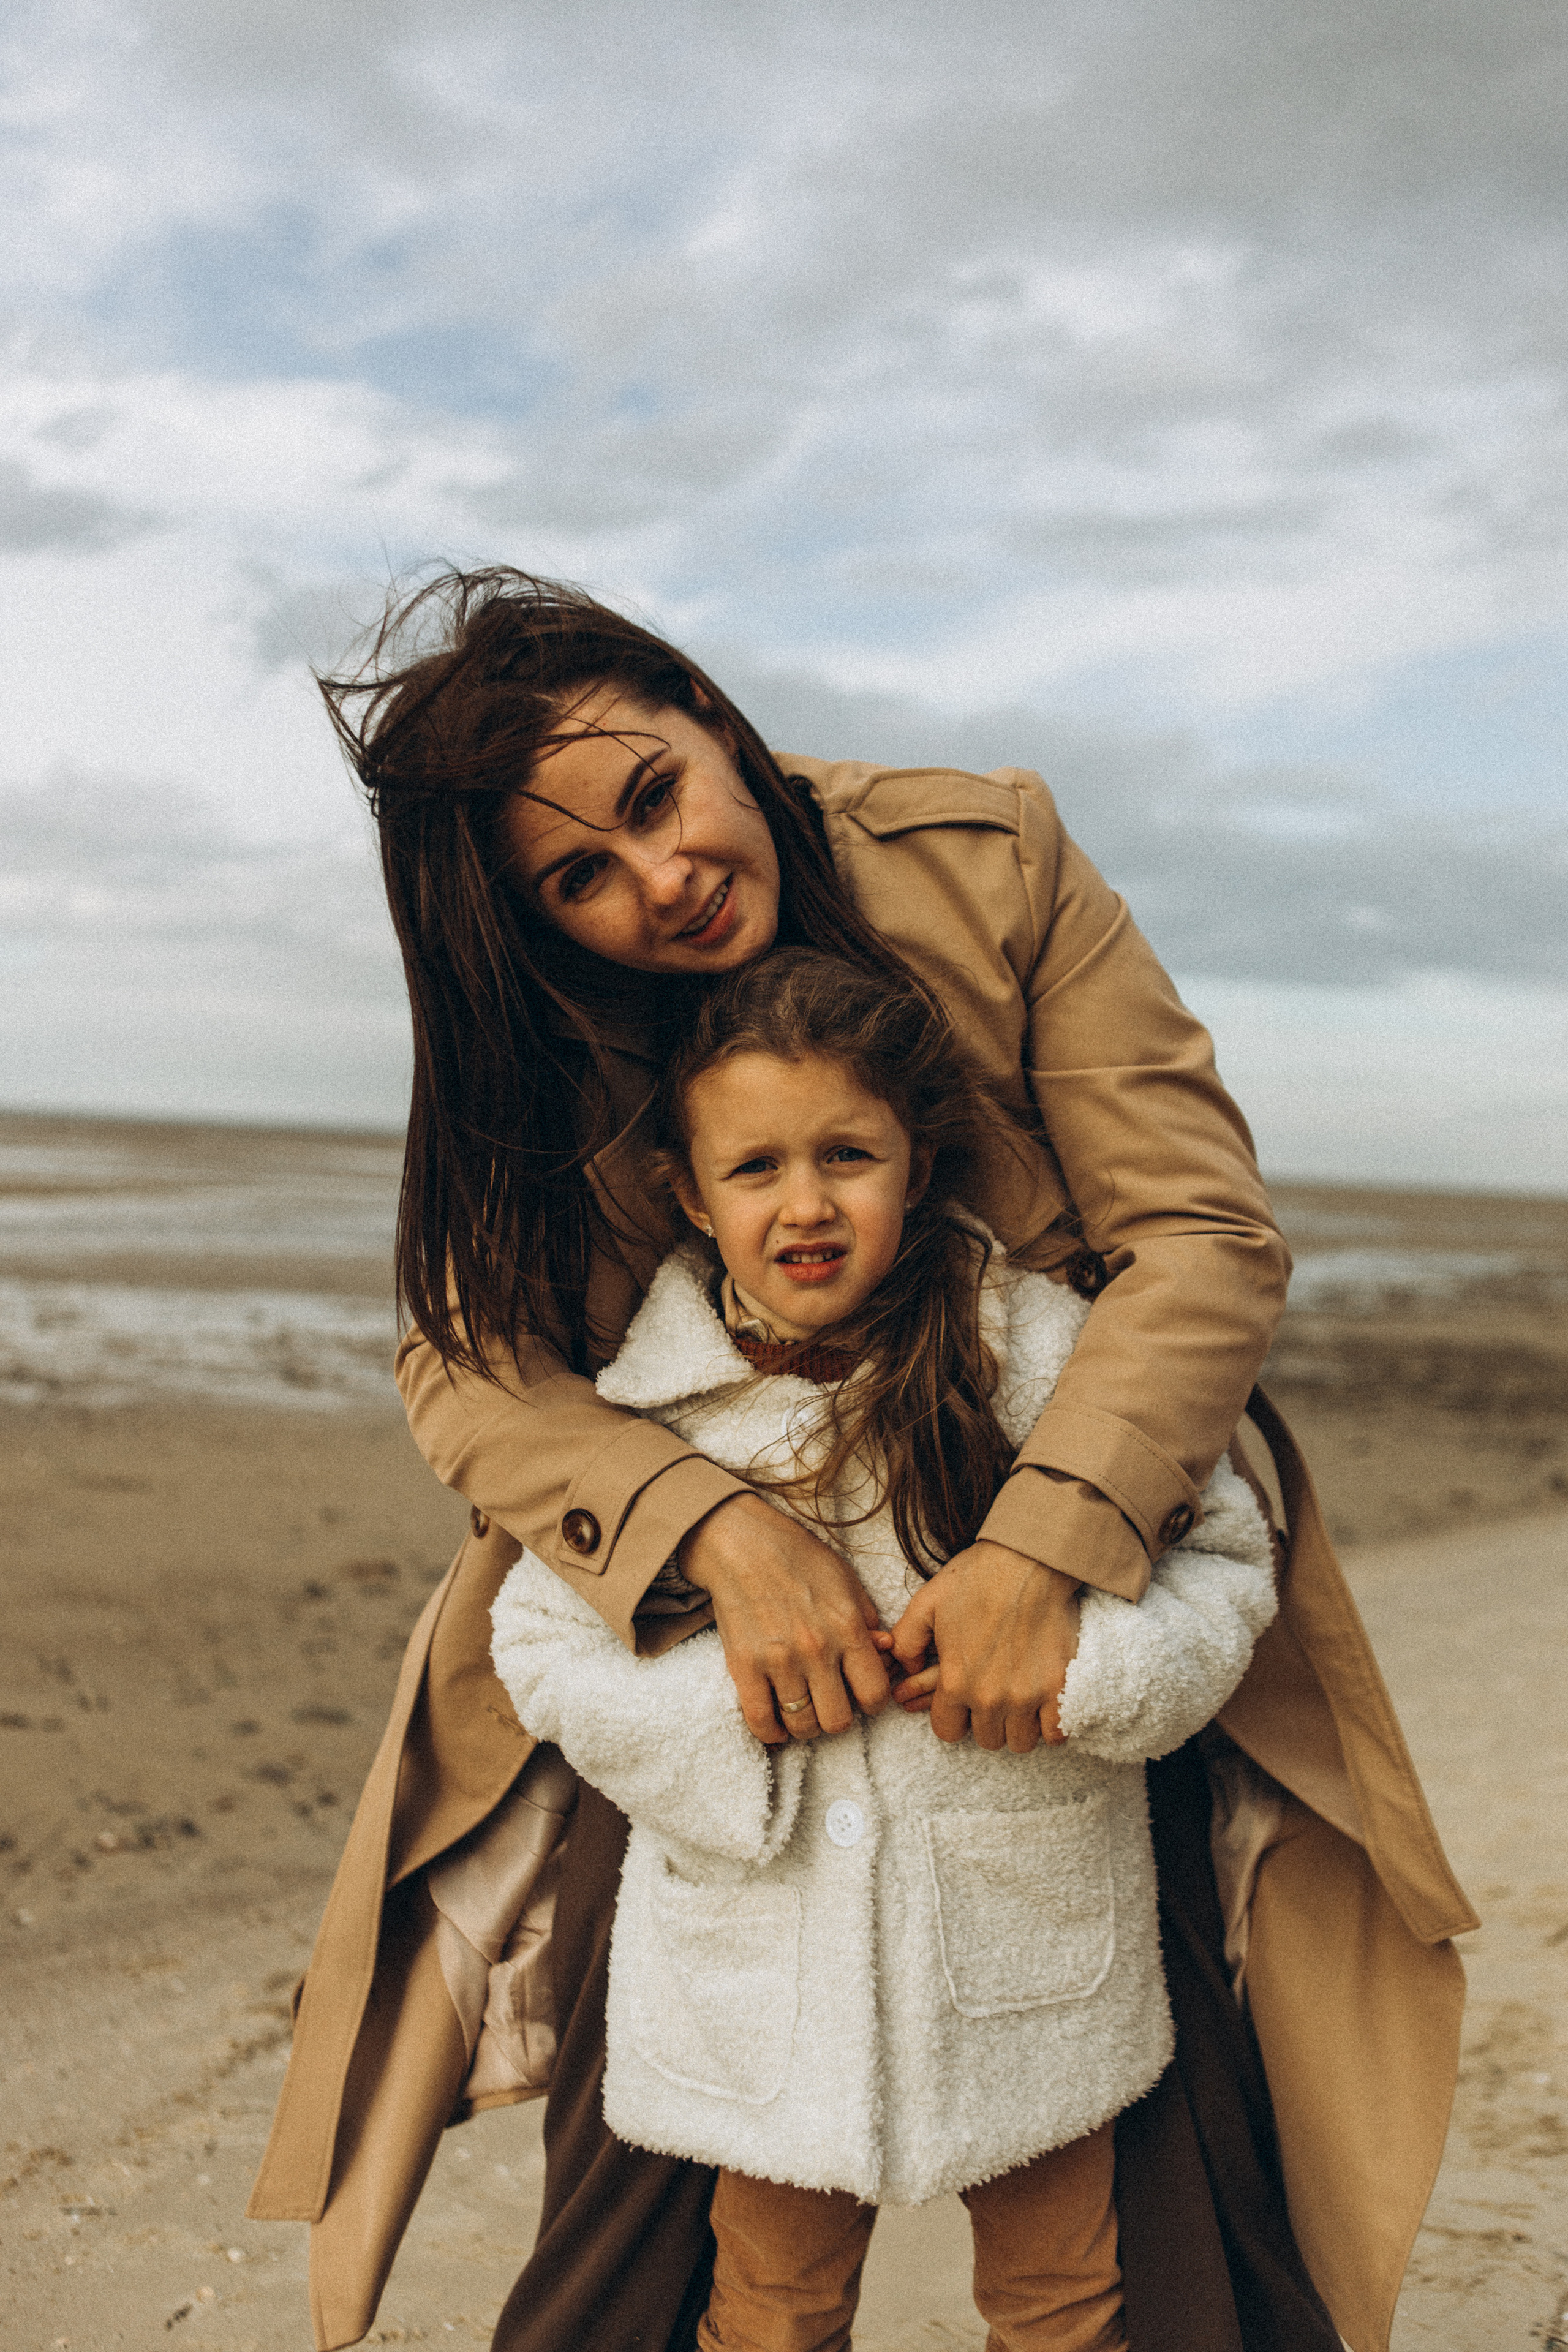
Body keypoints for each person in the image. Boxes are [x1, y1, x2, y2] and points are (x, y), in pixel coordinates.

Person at [246, 570, 1474, 2352]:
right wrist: (713, 1535)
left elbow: (1202, 1235)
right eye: (579, 877)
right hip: (702, 1647)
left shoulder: (991, 858)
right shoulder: (543, 1019)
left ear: (705, 711)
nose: (655, 884)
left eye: (654, 798)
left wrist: (1040, 1555)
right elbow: (467, 1366)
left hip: (1079, 1536)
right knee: (647, 2129)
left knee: (1156, 2135)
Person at [490, 946, 1284, 2352]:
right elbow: (542, 1645)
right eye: (754, 1169)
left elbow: (1222, 1559)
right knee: (770, 2306)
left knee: (1062, 2302)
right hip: (755, 1980)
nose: (805, 1203)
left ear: (916, 1165)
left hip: (1031, 1956)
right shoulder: (649, 1410)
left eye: (848, 1153)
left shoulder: (1038, 1350)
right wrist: (725, 1724)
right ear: (687, 1192)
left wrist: (1087, 1675)